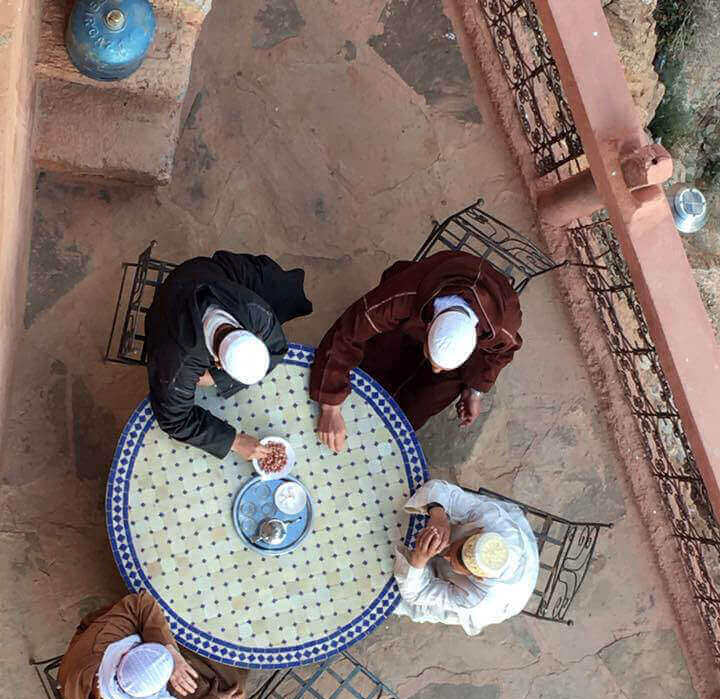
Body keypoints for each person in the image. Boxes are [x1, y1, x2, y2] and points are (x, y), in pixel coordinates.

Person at [309, 250, 522, 451]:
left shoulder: (500, 330)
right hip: (411, 319)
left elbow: (499, 355)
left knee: (420, 405)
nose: (436, 370)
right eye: (433, 359)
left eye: (442, 366)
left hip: (450, 330)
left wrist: (474, 391)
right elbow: (348, 332)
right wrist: (330, 406)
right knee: (373, 368)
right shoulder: (402, 298)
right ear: (428, 326)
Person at [146, 251, 312, 460]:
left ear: (249, 332)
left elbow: (276, 348)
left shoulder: (256, 312)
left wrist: (217, 378)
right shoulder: (179, 364)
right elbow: (175, 421)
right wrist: (235, 441)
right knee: (164, 376)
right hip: (171, 305)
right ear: (217, 362)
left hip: (208, 273)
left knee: (283, 291)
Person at [58, 591, 248, 699]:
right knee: (232, 690)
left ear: (124, 655)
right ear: (161, 689)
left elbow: (139, 603)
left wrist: (170, 651)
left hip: (74, 687)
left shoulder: (103, 645)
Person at [393, 480, 539, 635]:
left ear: (477, 577)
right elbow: (442, 490)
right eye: (454, 548)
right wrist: (438, 514)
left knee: (403, 602)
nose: (446, 555)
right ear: (477, 532)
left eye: (452, 561)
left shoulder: (478, 599)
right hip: (523, 547)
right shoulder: (492, 521)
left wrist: (418, 560)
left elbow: (418, 593)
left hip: (505, 600)